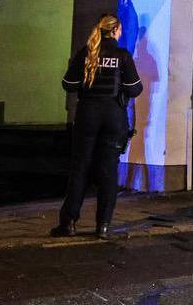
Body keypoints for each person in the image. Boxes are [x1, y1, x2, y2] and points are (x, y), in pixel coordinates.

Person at [53, 15, 142, 238]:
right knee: (108, 172)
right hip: (113, 117)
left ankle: (69, 223)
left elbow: (68, 84)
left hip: (87, 116)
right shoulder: (122, 56)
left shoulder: (86, 53)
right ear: (116, 31)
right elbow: (135, 89)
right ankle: (103, 226)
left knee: (80, 168)